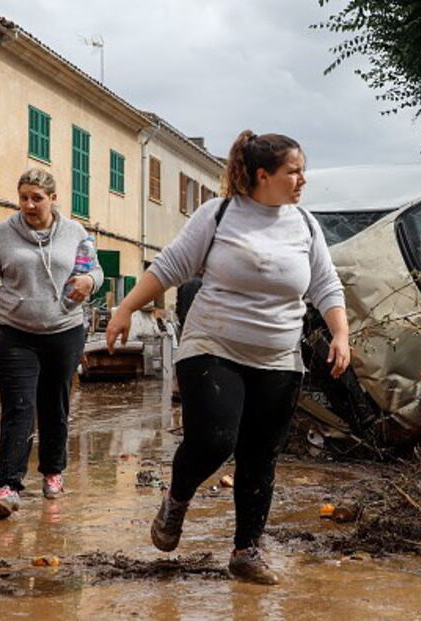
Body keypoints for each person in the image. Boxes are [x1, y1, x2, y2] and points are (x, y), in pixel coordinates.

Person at [105, 131, 349, 585]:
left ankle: (246, 551)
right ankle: (177, 498)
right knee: (216, 439)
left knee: (260, 455)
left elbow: (325, 285)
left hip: (278, 356)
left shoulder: (306, 224)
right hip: (214, 346)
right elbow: (170, 266)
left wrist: (340, 333)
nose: (302, 180)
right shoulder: (218, 215)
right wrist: (125, 308)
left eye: (302, 171)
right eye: (293, 171)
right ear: (263, 175)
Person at [0, 168, 103, 520]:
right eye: (24, 198)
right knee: (18, 408)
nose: (29, 205)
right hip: (14, 332)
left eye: (37, 198)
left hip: (64, 331)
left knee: (55, 405)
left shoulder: (75, 232)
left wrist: (88, 282)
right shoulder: (4, 235)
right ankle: (7, 488)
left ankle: (53, 472)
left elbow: (95, 271)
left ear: (53, 199)